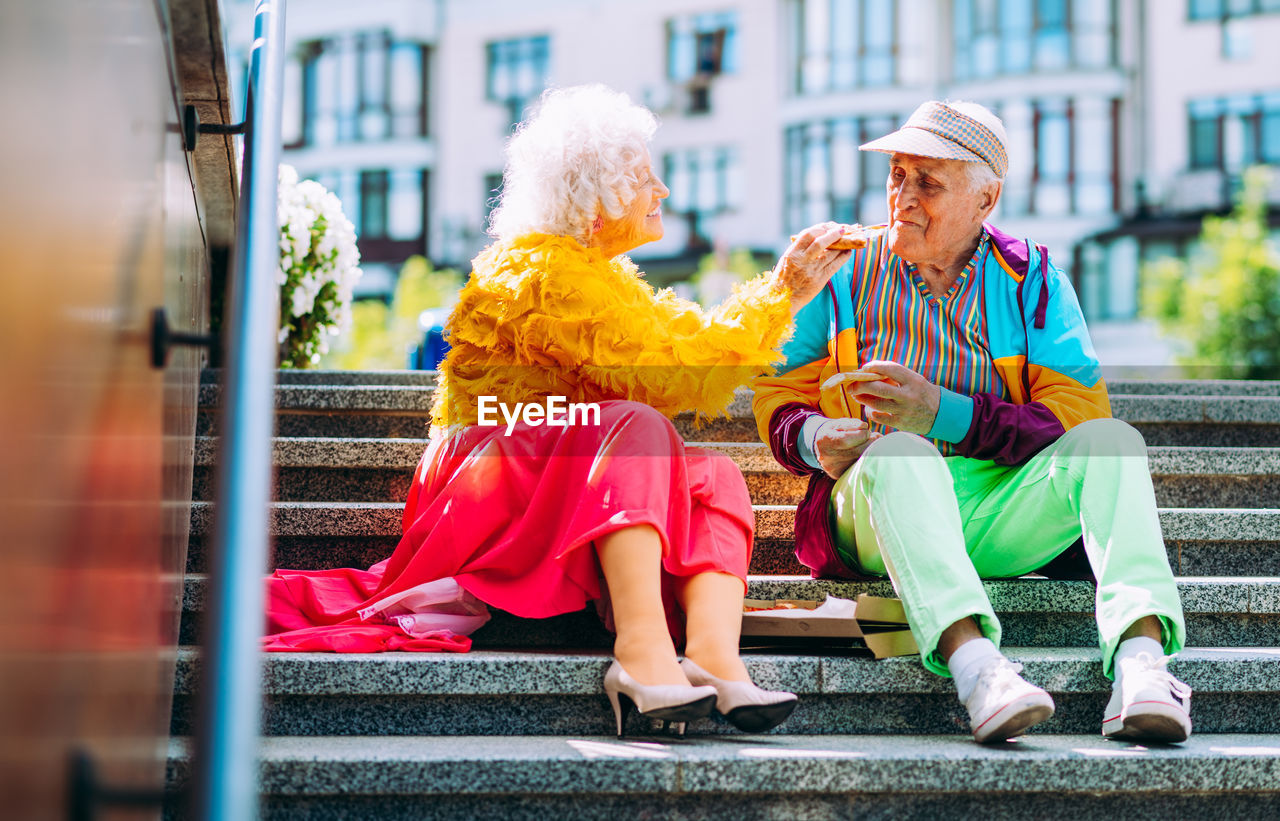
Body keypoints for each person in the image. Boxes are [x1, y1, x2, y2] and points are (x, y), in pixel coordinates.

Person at [264, 85, 852, 736]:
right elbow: (665, 370)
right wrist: (781, 294)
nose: (661, 191)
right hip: (487, 482)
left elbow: (684, 353)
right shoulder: (538, 268)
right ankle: (641, 652)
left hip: (554, 469)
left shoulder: (605, 277)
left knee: (714, 472)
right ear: (596, 193)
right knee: (640, 424)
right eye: (645, 177)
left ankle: (715, 659)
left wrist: (785, 295)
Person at [752, 100, 1192, 744]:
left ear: (986, 200)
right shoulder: (840, 270)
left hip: (996, 509)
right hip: (875, 508)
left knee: (1113, 443)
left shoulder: (1034, 280)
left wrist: (942, 413)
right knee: (902, 454)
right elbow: (776, 393)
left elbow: (1076, 417)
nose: (902, 196)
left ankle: (1143, 667)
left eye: (928, 183)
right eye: (897, 174)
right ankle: (979, 670)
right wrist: (818, 440)